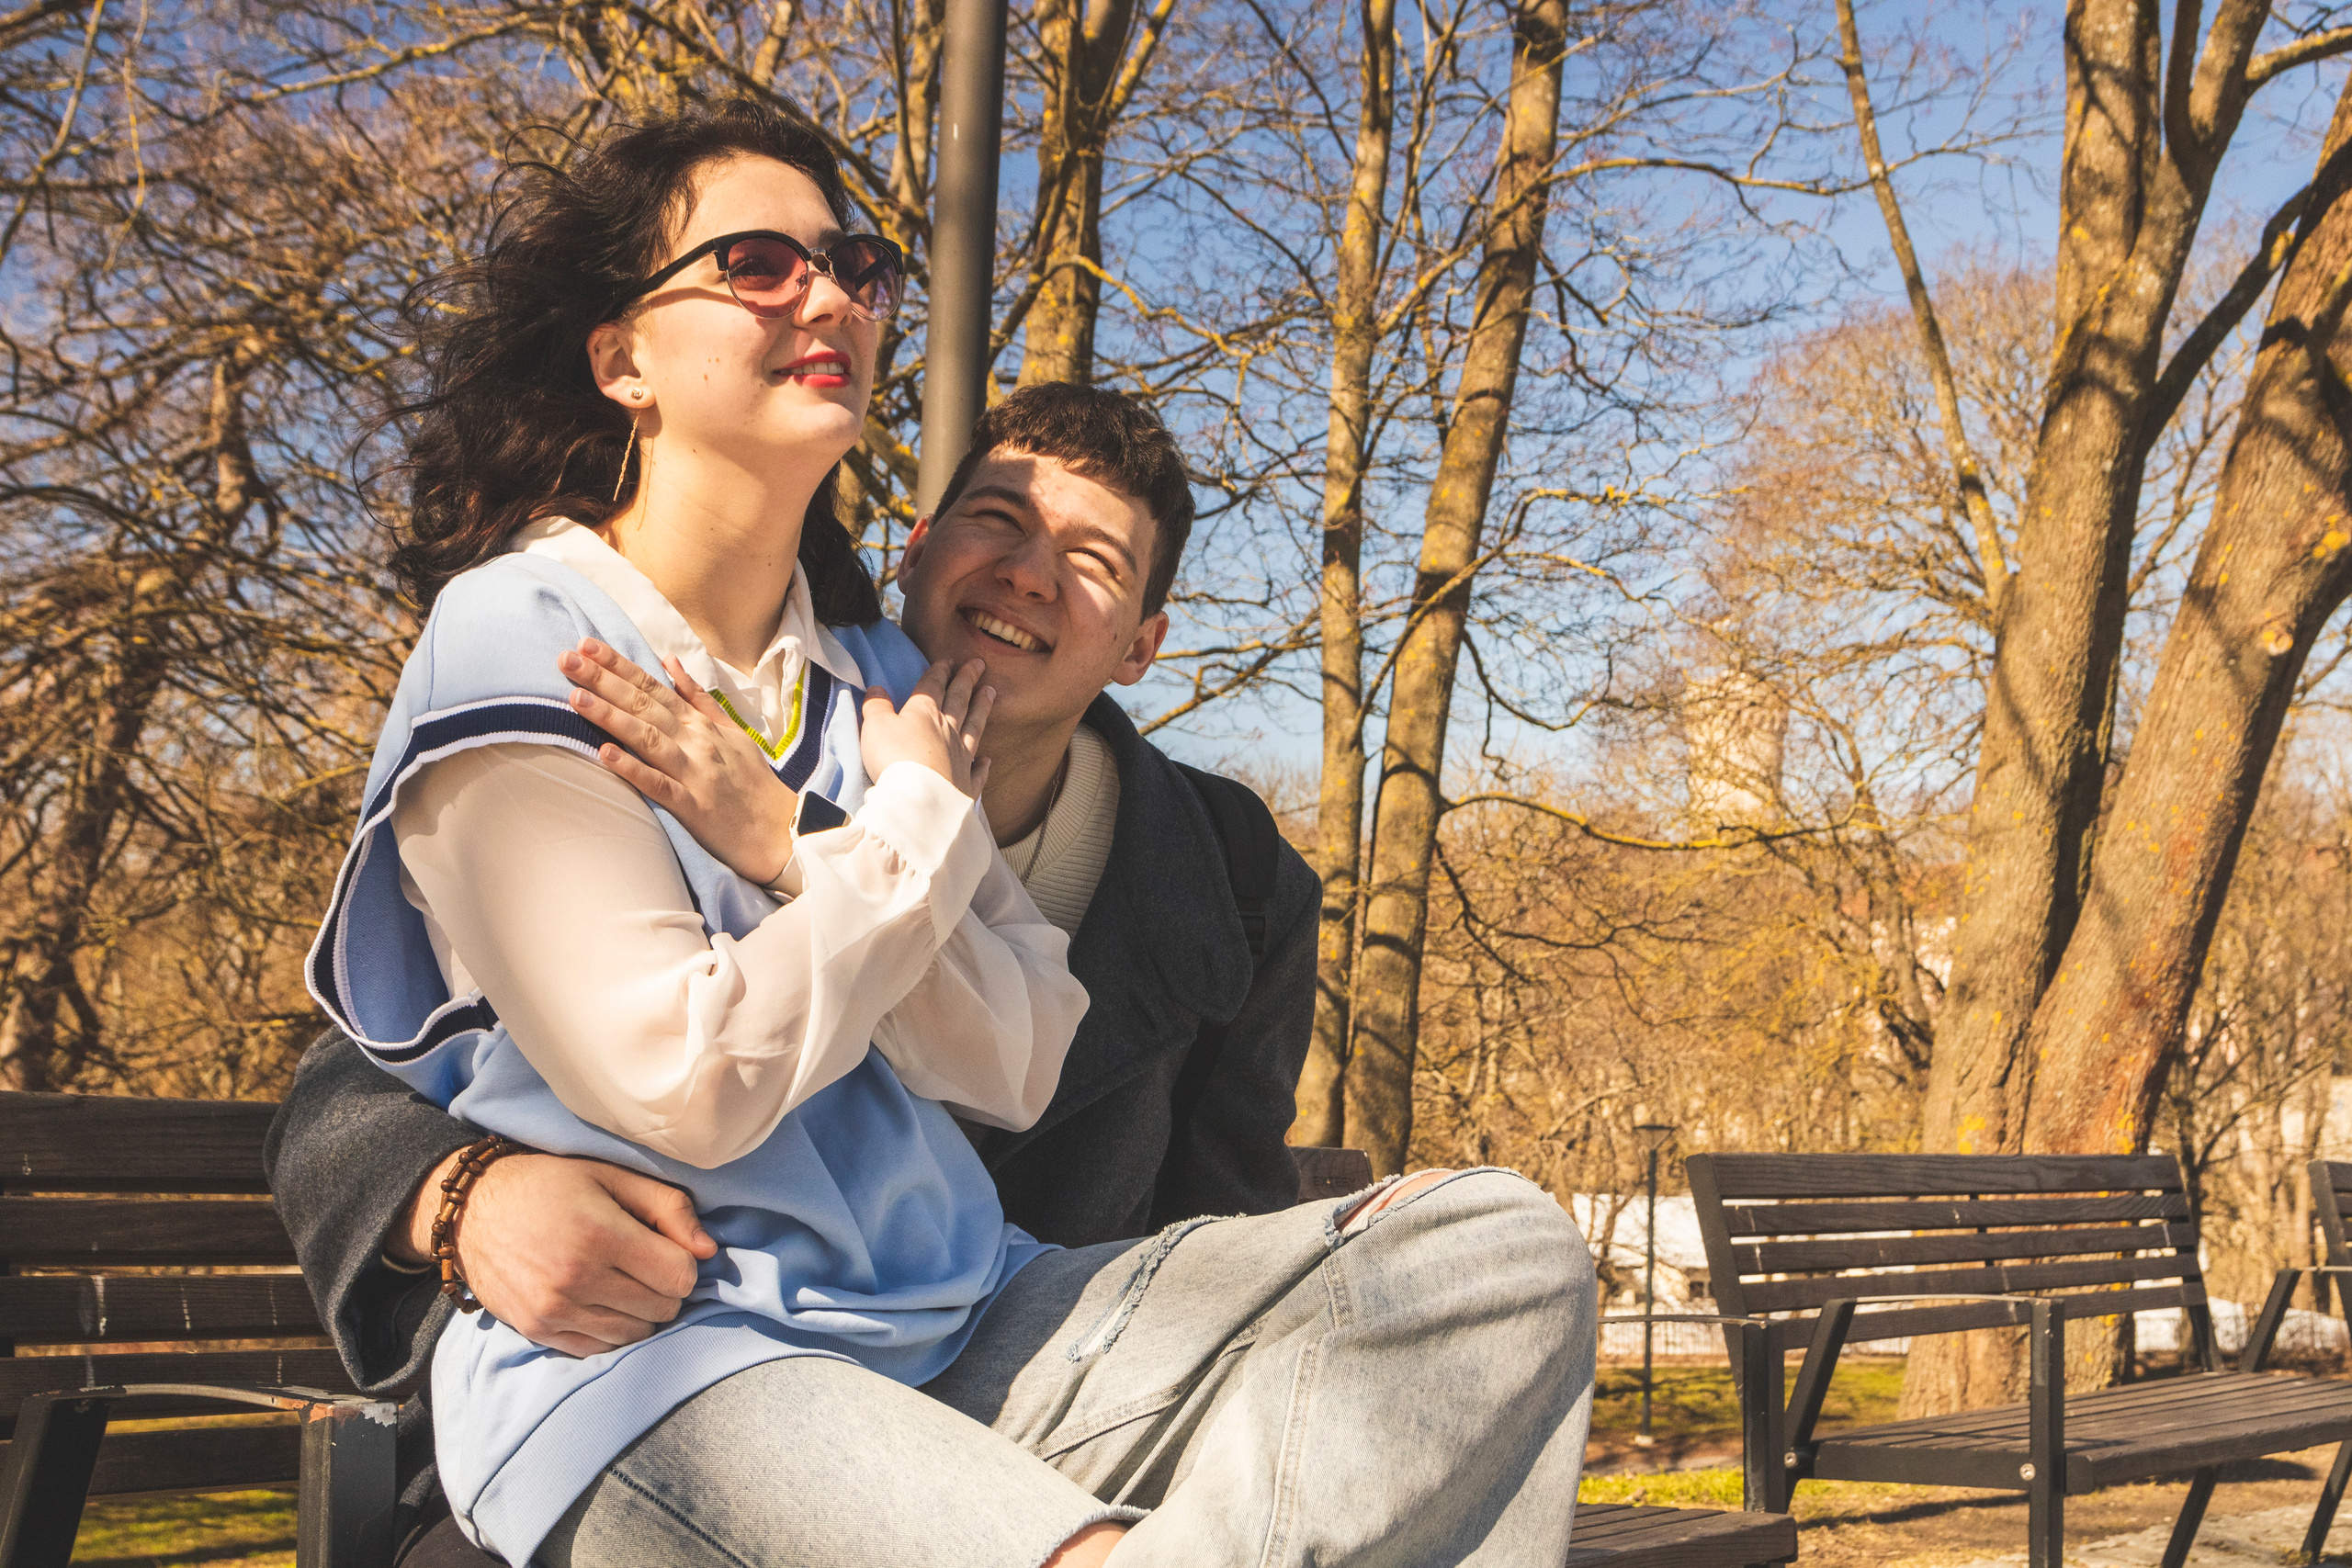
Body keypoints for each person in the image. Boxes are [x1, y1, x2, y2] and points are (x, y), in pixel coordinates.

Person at [274, 99, 1598, 1567]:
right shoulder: (528, 636)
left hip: (986, 1322)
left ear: (1144, 641)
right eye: (759, 264)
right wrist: (458, 1197)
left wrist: (794, 840)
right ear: (624, 358)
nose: (829, 293)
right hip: (678, 1367)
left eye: (849, 262)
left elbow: (1019, 1055)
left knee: (1501, 1253)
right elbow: (681, 1080)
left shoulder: (896, 698)